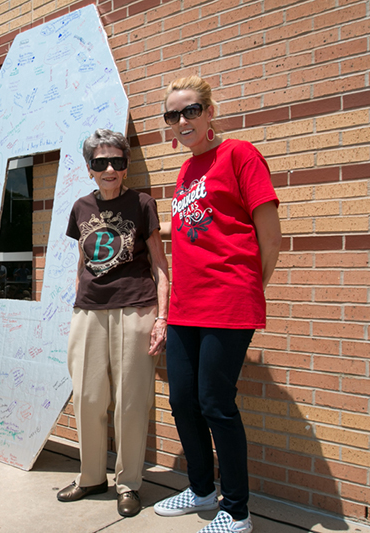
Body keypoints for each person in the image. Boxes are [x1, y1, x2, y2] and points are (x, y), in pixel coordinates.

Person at [152, 76, 282, 533]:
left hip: (228, 302)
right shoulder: (187, 171)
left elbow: (270, 237)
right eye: (173, 115)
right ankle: (202, 489)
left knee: (215, 403)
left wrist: (248, 288)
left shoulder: (240, 155)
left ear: (209, 112)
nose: (182, 120)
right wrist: (146, 230)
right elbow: (194, 225)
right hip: (186, 305)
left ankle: (237, 511)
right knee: (182, 400)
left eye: (190, 110)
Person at [57, 129, 170, 518]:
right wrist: (79, 301)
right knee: (87, 398)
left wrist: (162, 317)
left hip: (135, 309)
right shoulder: (80, 207)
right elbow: (82, 261)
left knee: (131, 402)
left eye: (117, 162)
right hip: (89, 312)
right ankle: (91, 477)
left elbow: (160, 264)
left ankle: (128, 484)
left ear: (126, 165)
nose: (110, 169)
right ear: (89, 167)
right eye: (101, 162)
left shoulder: (142, 204)